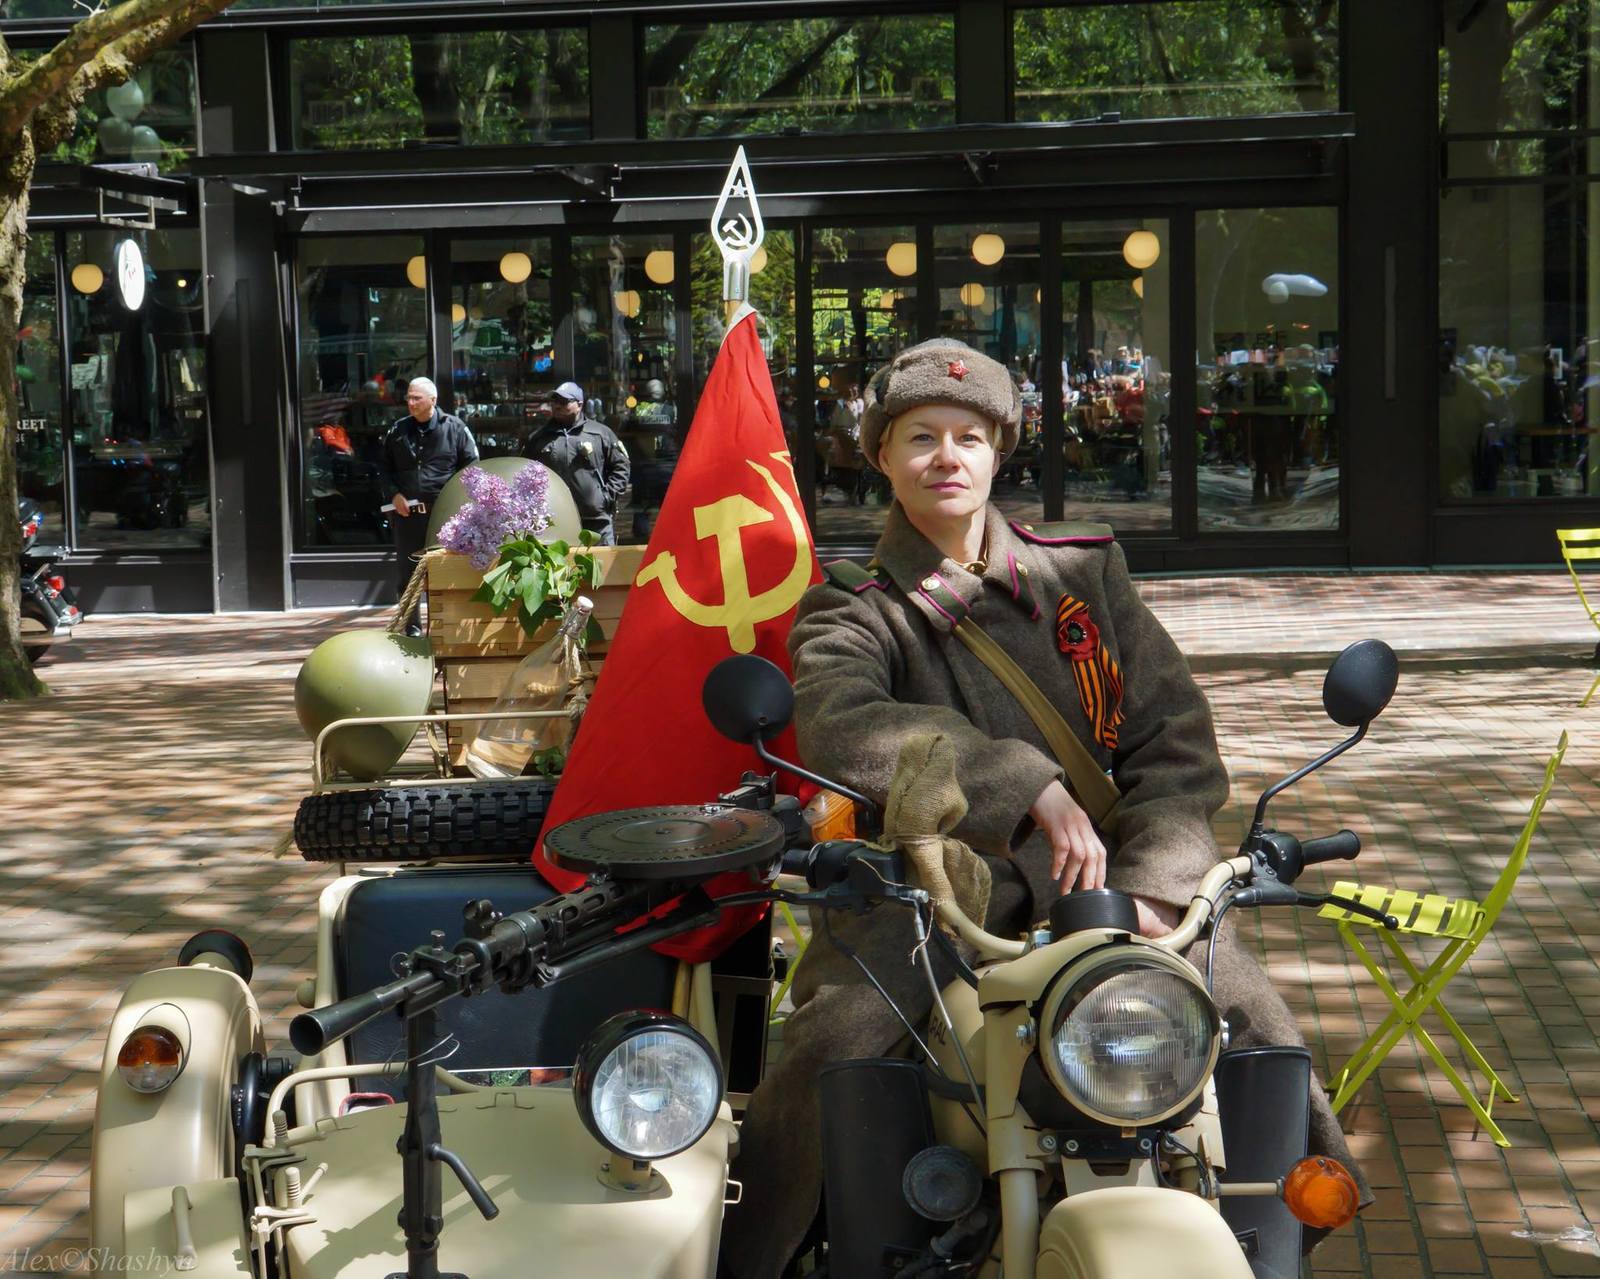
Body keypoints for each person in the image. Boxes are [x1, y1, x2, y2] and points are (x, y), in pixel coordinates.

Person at [720, 338, 1368, 1278]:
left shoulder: (1085, 574)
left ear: (998, 451)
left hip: (1111, 894)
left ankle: (1272, 1241)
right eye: (920, 437)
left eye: (968, 437)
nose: (947, 456)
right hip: (941, 899)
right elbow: (842, 721)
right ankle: (766, 1256)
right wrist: (1023, 783)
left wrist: (1157, 885)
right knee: (839, 1040)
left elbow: (1173, 739)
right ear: (884, 457)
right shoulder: (850, 606)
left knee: (1251, 1015)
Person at [377, 376, 478, 636]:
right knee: (408, 577)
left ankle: (448, 627)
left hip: (445, 517)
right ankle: (411, 630)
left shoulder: (454, 428)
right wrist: (393, 494)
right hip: (408, 516)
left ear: (432, 400)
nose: (410, 403)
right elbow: (383, 468)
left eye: (416, 398)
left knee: (447, 572)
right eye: (408, 398)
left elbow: (472, 469)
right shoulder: (397, 430)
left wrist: (457, 503)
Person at [522, 381, 630, 545]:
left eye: (564, 402)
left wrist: (605, 497)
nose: (557, 406)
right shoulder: (538, 438)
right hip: (554, 521)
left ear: (579, 404)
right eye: (554, 401)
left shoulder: (600, 433)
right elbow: (525, 472)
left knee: (602, 567)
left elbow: (621, 466)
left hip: (595, 520)